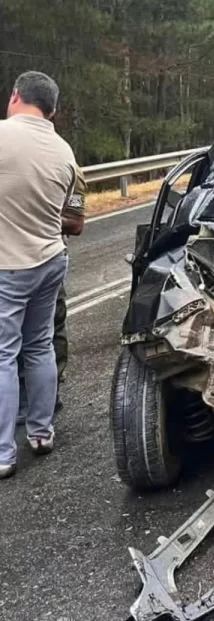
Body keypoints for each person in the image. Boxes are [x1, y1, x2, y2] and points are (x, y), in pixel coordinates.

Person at [0, 71, 77, 480]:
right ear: (52, 110)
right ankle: (42, 433)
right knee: (39, 345)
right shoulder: (64, 151)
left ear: (15, 96)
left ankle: (2, 453)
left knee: (3, 355)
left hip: (8, 263)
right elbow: (71, 211)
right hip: (50, 259)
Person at [16, 165, 86, 425]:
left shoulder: (67, 167)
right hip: (10, 262)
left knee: (50, 329)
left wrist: (30, 219)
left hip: (47, 259)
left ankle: (48, 392)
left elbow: (76, 223)